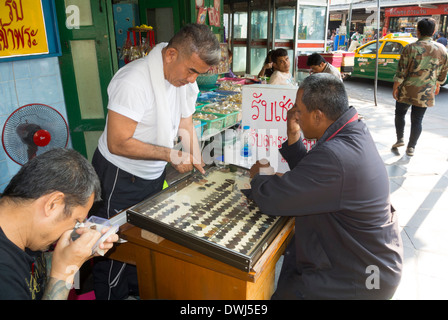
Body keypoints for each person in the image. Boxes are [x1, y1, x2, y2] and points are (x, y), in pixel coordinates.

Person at [89, 23, 221, 300]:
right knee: (114, 246)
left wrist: (198, 163)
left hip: (152, 174)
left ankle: (137, 291)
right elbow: (118, 142)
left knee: (145, 239)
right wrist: (170, 154)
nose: (192, 79)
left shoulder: (184, 80)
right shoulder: (133, 80)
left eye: (198, 73)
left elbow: (186, 122)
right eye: (191, 70)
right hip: (118, 174)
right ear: (171, 54)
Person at [249, 73, 403, 300]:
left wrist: (258, 176)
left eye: (298, 110)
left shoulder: (336, 156)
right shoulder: (352, 129)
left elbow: (273, 198)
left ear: (318, 116)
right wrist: (293, 137)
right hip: (364, 261)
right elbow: (317, 177)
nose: (294, 115)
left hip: (359, 277)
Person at [0, 148, 118, 300]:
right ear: (52, 204)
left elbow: (34, 271)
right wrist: (64, 273)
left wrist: (79, 255)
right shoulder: (4, 276)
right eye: (77, 221)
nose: (75, 229)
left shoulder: (19, 227)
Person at [392, 18, 448, 156]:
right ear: (434, 32)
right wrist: (438, 84)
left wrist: (395, 87)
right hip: (426, 91)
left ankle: (400, 139)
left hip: (406, 90)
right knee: (417, 119)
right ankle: (411, 147)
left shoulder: (410, 48)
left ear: (417, 31)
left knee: (400, 114)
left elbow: (401, 72)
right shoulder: (442, 50)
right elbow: (443, 72)